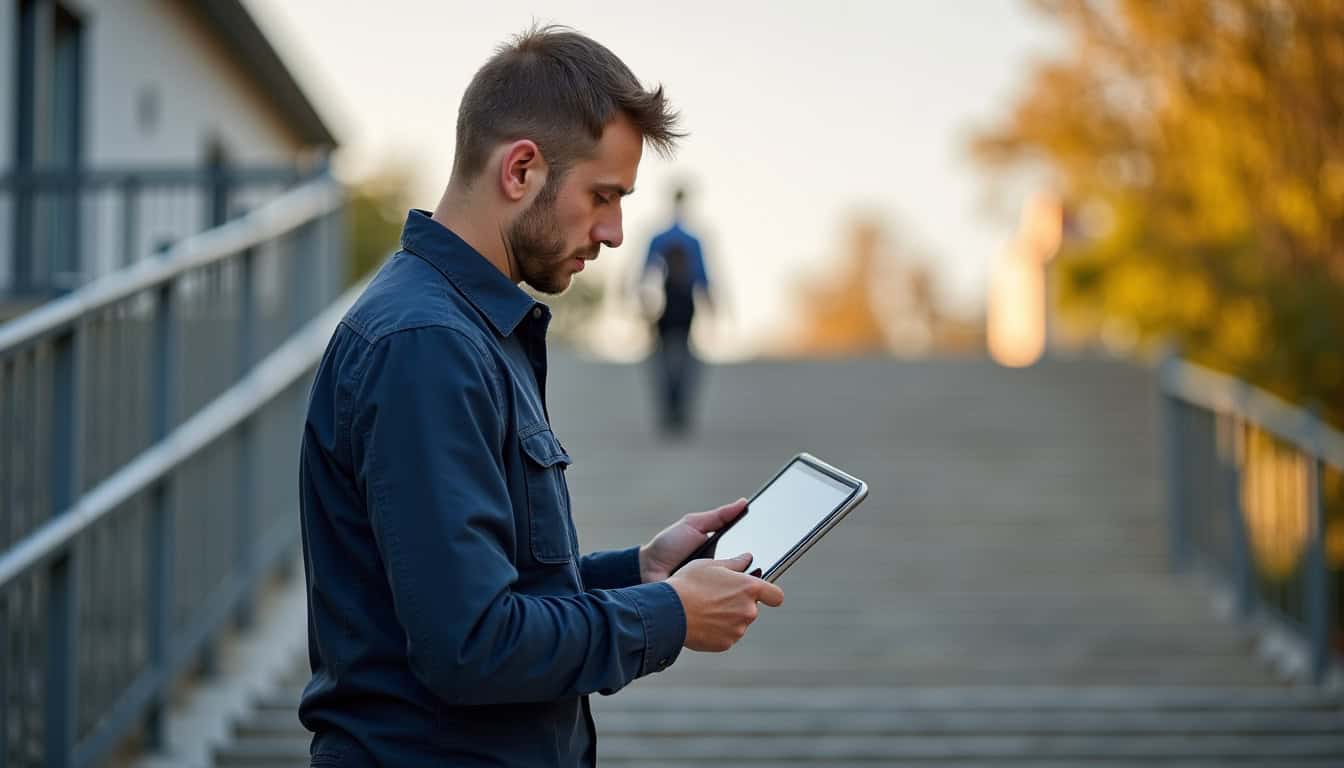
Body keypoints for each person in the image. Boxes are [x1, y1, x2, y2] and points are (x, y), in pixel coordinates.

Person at [297, 25, 784, 767]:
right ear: (521, 169)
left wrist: (641, 572)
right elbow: (470, 645)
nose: (616, 232)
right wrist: (669, 616)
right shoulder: (428, 346)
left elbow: (480, 593)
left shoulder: (469, 330)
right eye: (603, 196)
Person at [642, 188, 712, 434]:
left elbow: (646, 271)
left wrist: (642, 301)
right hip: (681, 301)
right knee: (681, 355)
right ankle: (677, 408)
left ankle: (672, 407)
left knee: (666, 357)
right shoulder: (690, 240)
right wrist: (711, 303)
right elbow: (702, 275)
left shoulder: (661, 238)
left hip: (669, 300)